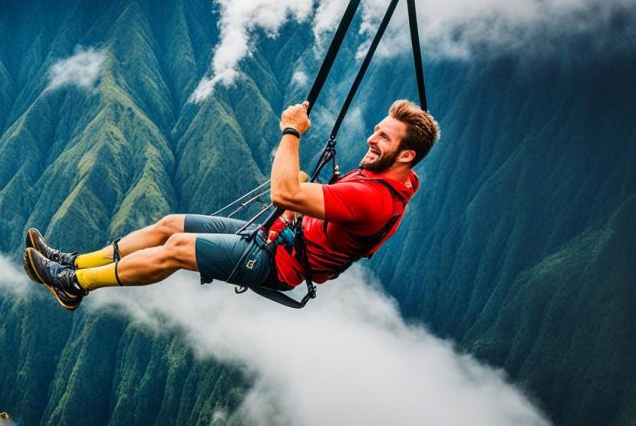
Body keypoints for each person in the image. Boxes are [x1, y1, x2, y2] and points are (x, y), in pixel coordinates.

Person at [22, 99, 440, 310]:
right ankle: (76, 263)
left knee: (176, 250)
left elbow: (284, 194)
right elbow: (311, 201)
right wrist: (301, 199)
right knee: (170, 224)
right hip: (276, 237)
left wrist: (291, 133)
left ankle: (75, 284)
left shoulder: (373, 197)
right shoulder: (399, 177)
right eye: (376, 129)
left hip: (279, 263)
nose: (372, 138)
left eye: (384, 138)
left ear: (405, 155)